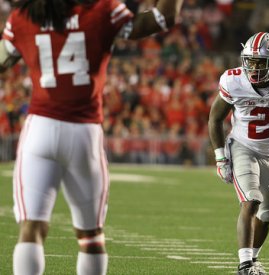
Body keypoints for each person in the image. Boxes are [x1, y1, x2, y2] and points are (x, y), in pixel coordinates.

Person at [0, 0, 183, 274]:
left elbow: (3, 60)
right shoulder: (103, 10)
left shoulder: (25, 16)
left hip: (40, 129)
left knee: (31, 228)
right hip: (84, 133)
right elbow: (163, 18)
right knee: (91, 237)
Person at [208, 32, 269, 275]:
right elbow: (215, 118)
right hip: (242, 146)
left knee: (267, 214)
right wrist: (220, 157)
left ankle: (254, 258)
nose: (253, 68)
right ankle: (245, 264)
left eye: (259, 63)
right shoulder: (233, 81)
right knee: (251, 200)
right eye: (250, 61)